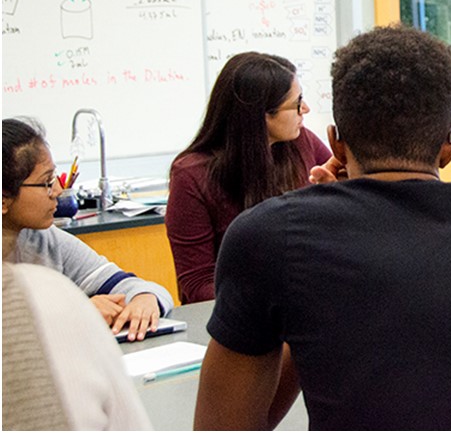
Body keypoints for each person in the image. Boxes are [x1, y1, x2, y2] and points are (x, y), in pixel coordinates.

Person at [195, 25, 451, 430]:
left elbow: (224, 426)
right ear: (450, 147)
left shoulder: (271, 237)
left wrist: (307, 276)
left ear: (335, 144)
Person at [165, 51, 334, 303]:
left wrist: (338, 193)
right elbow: (197, 284)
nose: (306, 109)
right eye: (297, 103)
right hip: (236, 322)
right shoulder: (192, 176)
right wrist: (275, 302)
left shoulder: (302, 143)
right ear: (262, 114)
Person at [3, 118, 174, 341]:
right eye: (46, 182)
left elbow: (127, 284)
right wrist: (75, 312)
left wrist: (145, 297)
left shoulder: (47, 240)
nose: (57, 190)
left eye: (55, 178)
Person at [3, 261, 151, 430]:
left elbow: (129, 283)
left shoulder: (50, 242)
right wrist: (81, 308)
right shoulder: (46, 290)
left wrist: (144, 295)